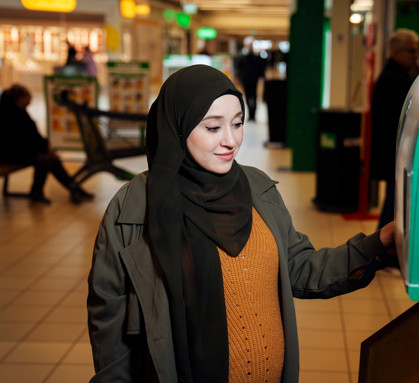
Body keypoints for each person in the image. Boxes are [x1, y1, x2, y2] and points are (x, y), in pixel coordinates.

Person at [87, 64, 397, 382]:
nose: (231, 140)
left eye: (237, 124)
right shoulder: (134, 209)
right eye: (212, 128)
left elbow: (301, 267)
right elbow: (108, 319)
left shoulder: (257, 188)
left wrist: (376, 244)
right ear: (176, 127)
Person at [0, 84, 94, 204]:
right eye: (29, 95)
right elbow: (21, 141)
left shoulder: (20, 112)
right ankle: (46, 191)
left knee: (50, 159)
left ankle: (73, 188)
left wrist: (46, 148)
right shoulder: (11, 115)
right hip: (10, 154)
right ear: (20, 98)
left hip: (19, 151)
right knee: (46, 159)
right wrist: (44, 149)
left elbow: (33, 137)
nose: (31, 98)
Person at [371, 28, 419, 229]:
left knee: (393, 201)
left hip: (391, 153)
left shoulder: (393, 75)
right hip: (395, 153)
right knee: (394, 203)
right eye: (412, 51)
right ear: (397, 52)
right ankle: (382, 248)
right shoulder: (396, 80)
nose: (416, 55)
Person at [237, 43, 266, 121]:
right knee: (248, 97)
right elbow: (239, 69)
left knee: (253, 97)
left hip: (253, 80)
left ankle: (253, 115)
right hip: (246, 80)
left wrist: (262, 77)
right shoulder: (243, 58)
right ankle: (251, 114)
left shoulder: (255, 58)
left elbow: (260, 69)